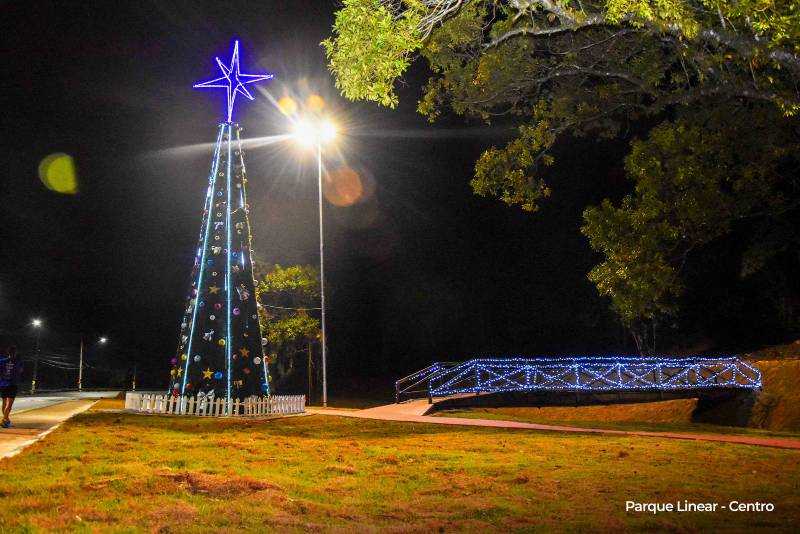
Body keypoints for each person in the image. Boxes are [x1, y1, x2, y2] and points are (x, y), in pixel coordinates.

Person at [1, 346, 22, 428]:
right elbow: (20, 371)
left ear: (8, 352)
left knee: (4, 403)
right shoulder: (18, 362)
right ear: (15, 353)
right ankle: (4, 420)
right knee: (9, 404)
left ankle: (6, 419)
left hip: (3, 384)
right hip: (12, 384)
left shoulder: (2, 361)